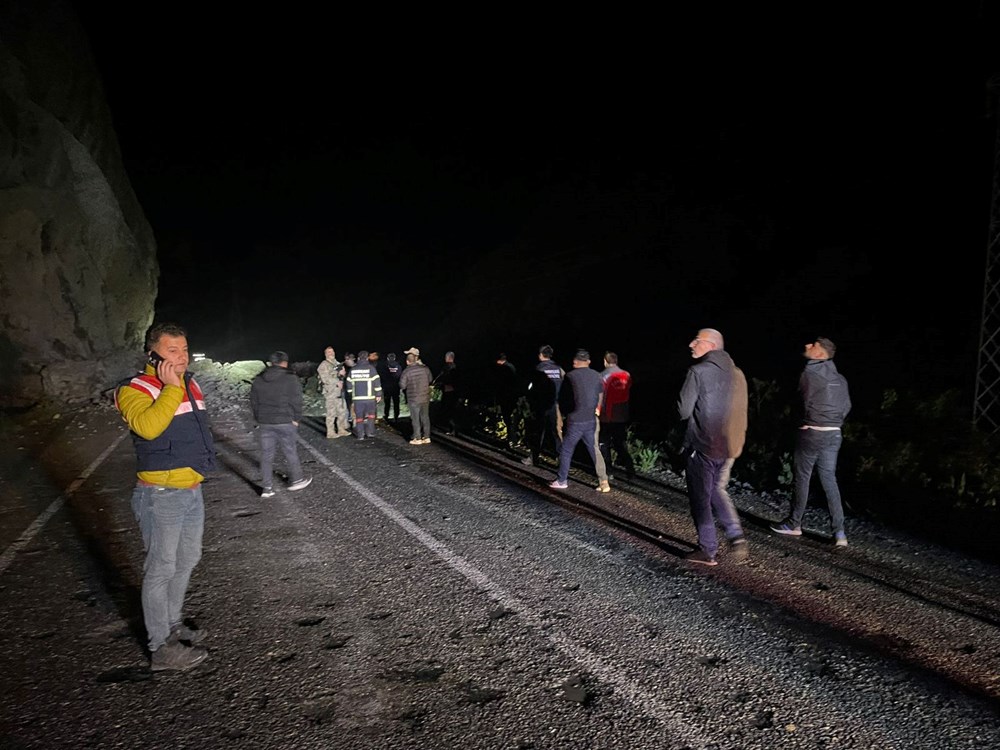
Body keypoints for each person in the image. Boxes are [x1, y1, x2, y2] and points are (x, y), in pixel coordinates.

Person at [114, 322, 214, 671]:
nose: (182, 357)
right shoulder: (133, 389)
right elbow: (148, 427)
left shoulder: (190, 383)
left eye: (185, 350)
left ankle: (172, 625)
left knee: (188, 559)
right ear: (152, 354)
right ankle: (161, 649)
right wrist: (171, 388)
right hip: (160, 495)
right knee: (160, 569)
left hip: (190, 490)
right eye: (173, 351)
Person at [677, 328, 749, 566]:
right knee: (718, 489)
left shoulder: (698, 371)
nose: (691, 344)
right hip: (729, 446)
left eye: (696, 340)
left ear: (710, 345)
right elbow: (741, 412)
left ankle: (707, 550)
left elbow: (683, 411)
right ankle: (735, 535)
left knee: (700, 497)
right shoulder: (738, 373)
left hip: (703, 445)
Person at [771, 337, 852, 546]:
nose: (807, 345)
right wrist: (834, 422)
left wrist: (806, 422)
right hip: (834, 433)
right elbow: (846, 407)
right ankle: (840, 532)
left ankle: (794, 524)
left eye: (812, 345)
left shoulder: (810, 373)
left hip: (812, 432)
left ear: (819, 354)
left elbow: (802, 402)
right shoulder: (841, 379)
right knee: (829, 479)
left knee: (803, 477)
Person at [249, 351, 313, 498]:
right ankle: (297, 480)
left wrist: (259, 417)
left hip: (265, 422)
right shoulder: (290, 378)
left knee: (266, 455)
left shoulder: (259, 379)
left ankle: (267, 488)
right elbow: (296, 400)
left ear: (271, 363)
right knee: (290, 451)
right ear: (285, 362)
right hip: (285, 421)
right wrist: (297, 418)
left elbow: (254, 402)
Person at [549, 349, 611, 492]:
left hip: (576, 420)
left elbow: (564, 399)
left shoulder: (570, 376)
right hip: (592, 419)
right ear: (588, 362)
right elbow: (601, 394)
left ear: (575, 362)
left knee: (566, 449)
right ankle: (604, 481)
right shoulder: (597, 375)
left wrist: (564, 415)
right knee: (594, 449)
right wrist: (597, 409)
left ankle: (562, 480)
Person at [522, 344, 564, 467]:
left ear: (540, 355)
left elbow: (531, 387)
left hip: (541, 405)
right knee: (556, 432)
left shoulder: (538, 369)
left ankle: (533, 458)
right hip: (555, 405)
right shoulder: (558, 369)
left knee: (538, 431)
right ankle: (561, 459)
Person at [599, 351, 636, 481]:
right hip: (622, 415)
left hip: (607, 415)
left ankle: (608, 471)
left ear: (605, 361)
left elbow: (601, 396)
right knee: (620, 443)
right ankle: (630, 469)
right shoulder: (626, 375)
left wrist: (598, 410)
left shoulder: (603, 376)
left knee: (604, 443)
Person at [399, 347, 433, 444]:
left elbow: (402, 385)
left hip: (413, 398)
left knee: (415, 418)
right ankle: (426, 437)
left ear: (407, 361)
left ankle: (417, 438)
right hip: (425, 397)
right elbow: (430, 380)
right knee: (425, 417)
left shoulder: (407, 371)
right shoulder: (425, 369)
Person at [346, 349, 382, 440]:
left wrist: (351, 394)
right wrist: (378, 394)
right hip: (370, 398)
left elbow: (348, 384)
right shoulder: (371, 369)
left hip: (357, 399)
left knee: (359, 417)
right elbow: (377, 383)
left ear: (358, 358)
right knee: (371, 416)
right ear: (367, 358)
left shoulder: (353, 370)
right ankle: (370, 432)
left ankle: (360, 435)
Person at [316, 346, 350, 438]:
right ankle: (330, 432)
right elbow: (324, 378)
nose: (331, 353)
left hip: (339, 391)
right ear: (326, 354)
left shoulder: (337, 363)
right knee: (331, 412)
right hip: (330, 392)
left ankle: (341, 429)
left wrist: (342, 374)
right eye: (329, 352)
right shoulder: (323, 365)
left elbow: (341, 376)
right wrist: (336, 381)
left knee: (341, 411)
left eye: (332, 351)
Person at [493, 352, 520, 445]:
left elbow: (502, 384)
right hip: (512, 396)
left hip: (506, 396)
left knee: (507, 417)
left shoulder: (505, 368)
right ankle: (512, 438)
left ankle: (511, 438)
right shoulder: (511, 367)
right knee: (509, 418)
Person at [432, 350, 461, 434]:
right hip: (453, 391)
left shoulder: (448, 367)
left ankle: (452, 429)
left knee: (447, 409)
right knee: (450, 409)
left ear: (448, 358)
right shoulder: (455, 367)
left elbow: (444, 377)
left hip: (448, 390)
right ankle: (451, 428)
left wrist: (439, 383)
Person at [380, 352, 403, 422]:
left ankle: (386, 416)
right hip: (396, 387)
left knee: (387, 402)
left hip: (387, 387)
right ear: (395, 358)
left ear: (387, 358)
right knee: (396, 402)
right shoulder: (398, 366)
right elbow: (400, 376)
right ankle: (396, 416)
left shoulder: (385, 366)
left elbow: (382, 376)